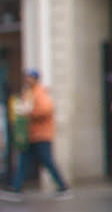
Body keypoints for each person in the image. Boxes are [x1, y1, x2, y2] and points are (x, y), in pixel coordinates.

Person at [0, 70, 71, 201]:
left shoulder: (40, 93)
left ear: (35, 79)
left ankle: (63, 186)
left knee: (47, 160)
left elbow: (45, 110)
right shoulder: (29, 93)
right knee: (23, 161)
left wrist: (29, 112)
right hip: (31, 134)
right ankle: (16, 188)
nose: (27, 80)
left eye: (29, 78)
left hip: (42, 135)